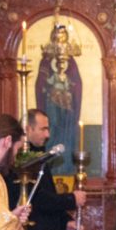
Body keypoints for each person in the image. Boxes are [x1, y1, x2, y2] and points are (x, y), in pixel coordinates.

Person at [35, 25, 82, 175]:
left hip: (67, 108)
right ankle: (51, 169)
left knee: (66, 133)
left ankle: (66, 167)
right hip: (51, 106)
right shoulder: (46, 60)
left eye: (63, 34)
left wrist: (68, 88)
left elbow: (76, 85)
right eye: (57, 34)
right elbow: (41, 84)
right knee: (52, 130)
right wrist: (50, 89)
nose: (60, 37)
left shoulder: (71, 62)